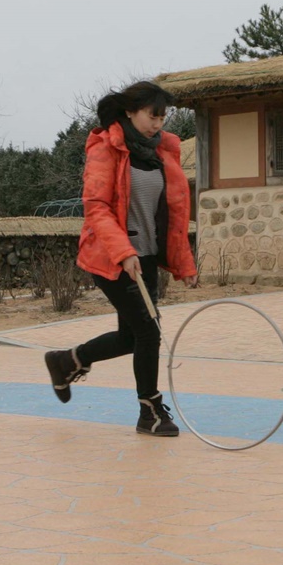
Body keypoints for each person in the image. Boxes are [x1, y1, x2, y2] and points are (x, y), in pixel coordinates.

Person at [43, 81, 199, 436]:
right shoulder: (105, 147)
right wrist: (123, 252)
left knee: (132, 337)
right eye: (151, 115)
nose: (157, 124)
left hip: (143, 258)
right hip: (111, 257)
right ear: (130, 111)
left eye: (163, 117)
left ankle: (67, 360)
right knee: (149, 331)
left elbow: (174, 214)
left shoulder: (163, 152)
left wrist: (184, 263)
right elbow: (96, 208)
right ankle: (150, 411)